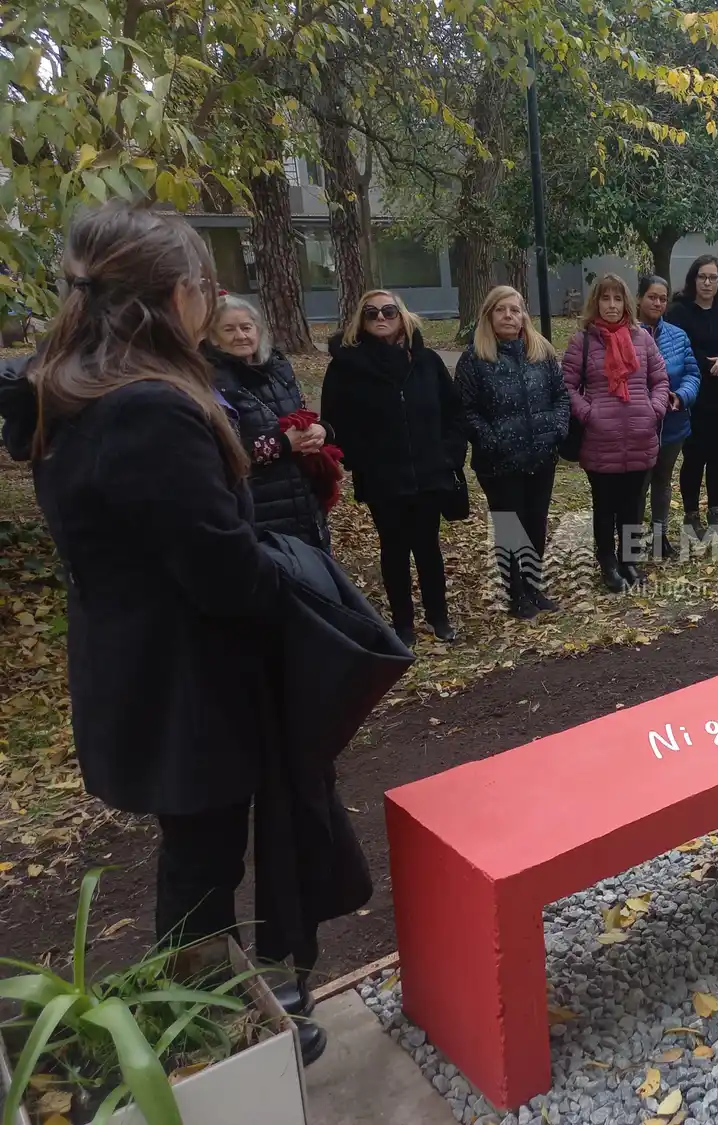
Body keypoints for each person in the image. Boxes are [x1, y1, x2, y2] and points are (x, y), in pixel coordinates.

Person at [0, 203, 377, 1064]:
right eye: (206, 286)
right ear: (180, 295)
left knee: (197, 856)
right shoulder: (146, 412)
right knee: (202, 869)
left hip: (146, 673)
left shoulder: (72, 386)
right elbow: (222, 572)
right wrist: (295, 573)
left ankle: (211, 1009)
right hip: (188, 691)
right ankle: (200, 1038)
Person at [321, 290, 467, 646]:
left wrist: (448, 455)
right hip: (383, 478)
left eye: (389, 311)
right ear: (362, 321)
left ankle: (438, 616)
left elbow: (454, 413)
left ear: (403, 317)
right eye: (371, 313)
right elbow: (333, 423)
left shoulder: (427, 361)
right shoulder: (346, 367)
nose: (381, 317)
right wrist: (361, 460)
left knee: (429, 548)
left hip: (430, 472)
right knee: (394, 549)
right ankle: (403, 622)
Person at [455, 285, 569, 619]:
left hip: (540, 455)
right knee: (510, 527)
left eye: (515, 310)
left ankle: (534, 587)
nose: (508, 316)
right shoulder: (474, 358)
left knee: (536, 525)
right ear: (489, 315)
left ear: (523, 316)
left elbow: (560, 396)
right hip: (499, 462)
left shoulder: (541, 353)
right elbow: (464, 410)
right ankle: (515, 592)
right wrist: (490, 440)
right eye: (501, 310)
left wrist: (557, 429)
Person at [563, 275, 669, 592]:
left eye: (618, 299)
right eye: (605, 299)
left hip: (640, 436)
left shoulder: (642, 339)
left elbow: (660, 380)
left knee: (633, 504)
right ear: (596, 302)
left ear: (627, 303)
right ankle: (607, 562)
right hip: (601, 440)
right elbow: (566, 386)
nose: (612, 305)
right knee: (605, 506)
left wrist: (654, 410)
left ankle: (629, 560)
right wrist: (588, 413)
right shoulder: (582, 341)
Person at [205, 296, 335, 551]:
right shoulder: (209, 381)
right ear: (213, 337)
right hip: (257, 510)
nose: (241, 335)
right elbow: (221, 454)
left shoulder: (278, 368)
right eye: (229, 329)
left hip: (304, 501)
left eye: (246, 327)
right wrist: (283, 444)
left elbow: (301, 414)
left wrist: (321, 431)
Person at [667, 254, 718, 535]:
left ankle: (715, 512)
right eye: (702, 276)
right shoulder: (677, 313)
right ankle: (691, 516)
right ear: (693, 279)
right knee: (693, 458)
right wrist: (709, 362)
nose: (707, 282)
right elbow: (676, 350)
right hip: (692, 398)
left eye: (713, 277)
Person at [637, 275, 700, 560]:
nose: (658, 303)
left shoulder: (678, 335)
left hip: (673, 424)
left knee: (662, 481)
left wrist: (681, 395)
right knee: (638, 485)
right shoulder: (626, 334)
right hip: (638, 426)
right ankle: (632, 541)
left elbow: (692, 373)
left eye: (663, 298)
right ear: (639, 298)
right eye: (652, 296)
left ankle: (660, 537)